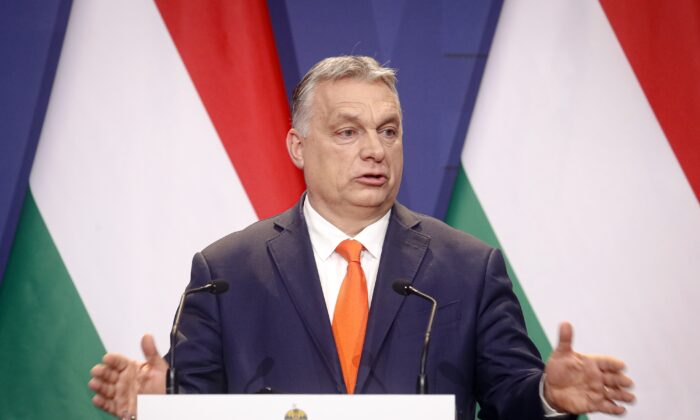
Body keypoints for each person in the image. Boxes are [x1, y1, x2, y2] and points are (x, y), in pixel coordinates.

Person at [89, 56, 634, 419]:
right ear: (298, 147)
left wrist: (548, 395)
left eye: (389, 131)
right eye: (348, 132)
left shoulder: (467, 268)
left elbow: (510, 393)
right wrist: (163, 404)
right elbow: (198, 404)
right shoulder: (227, 272)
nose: (375, 149)